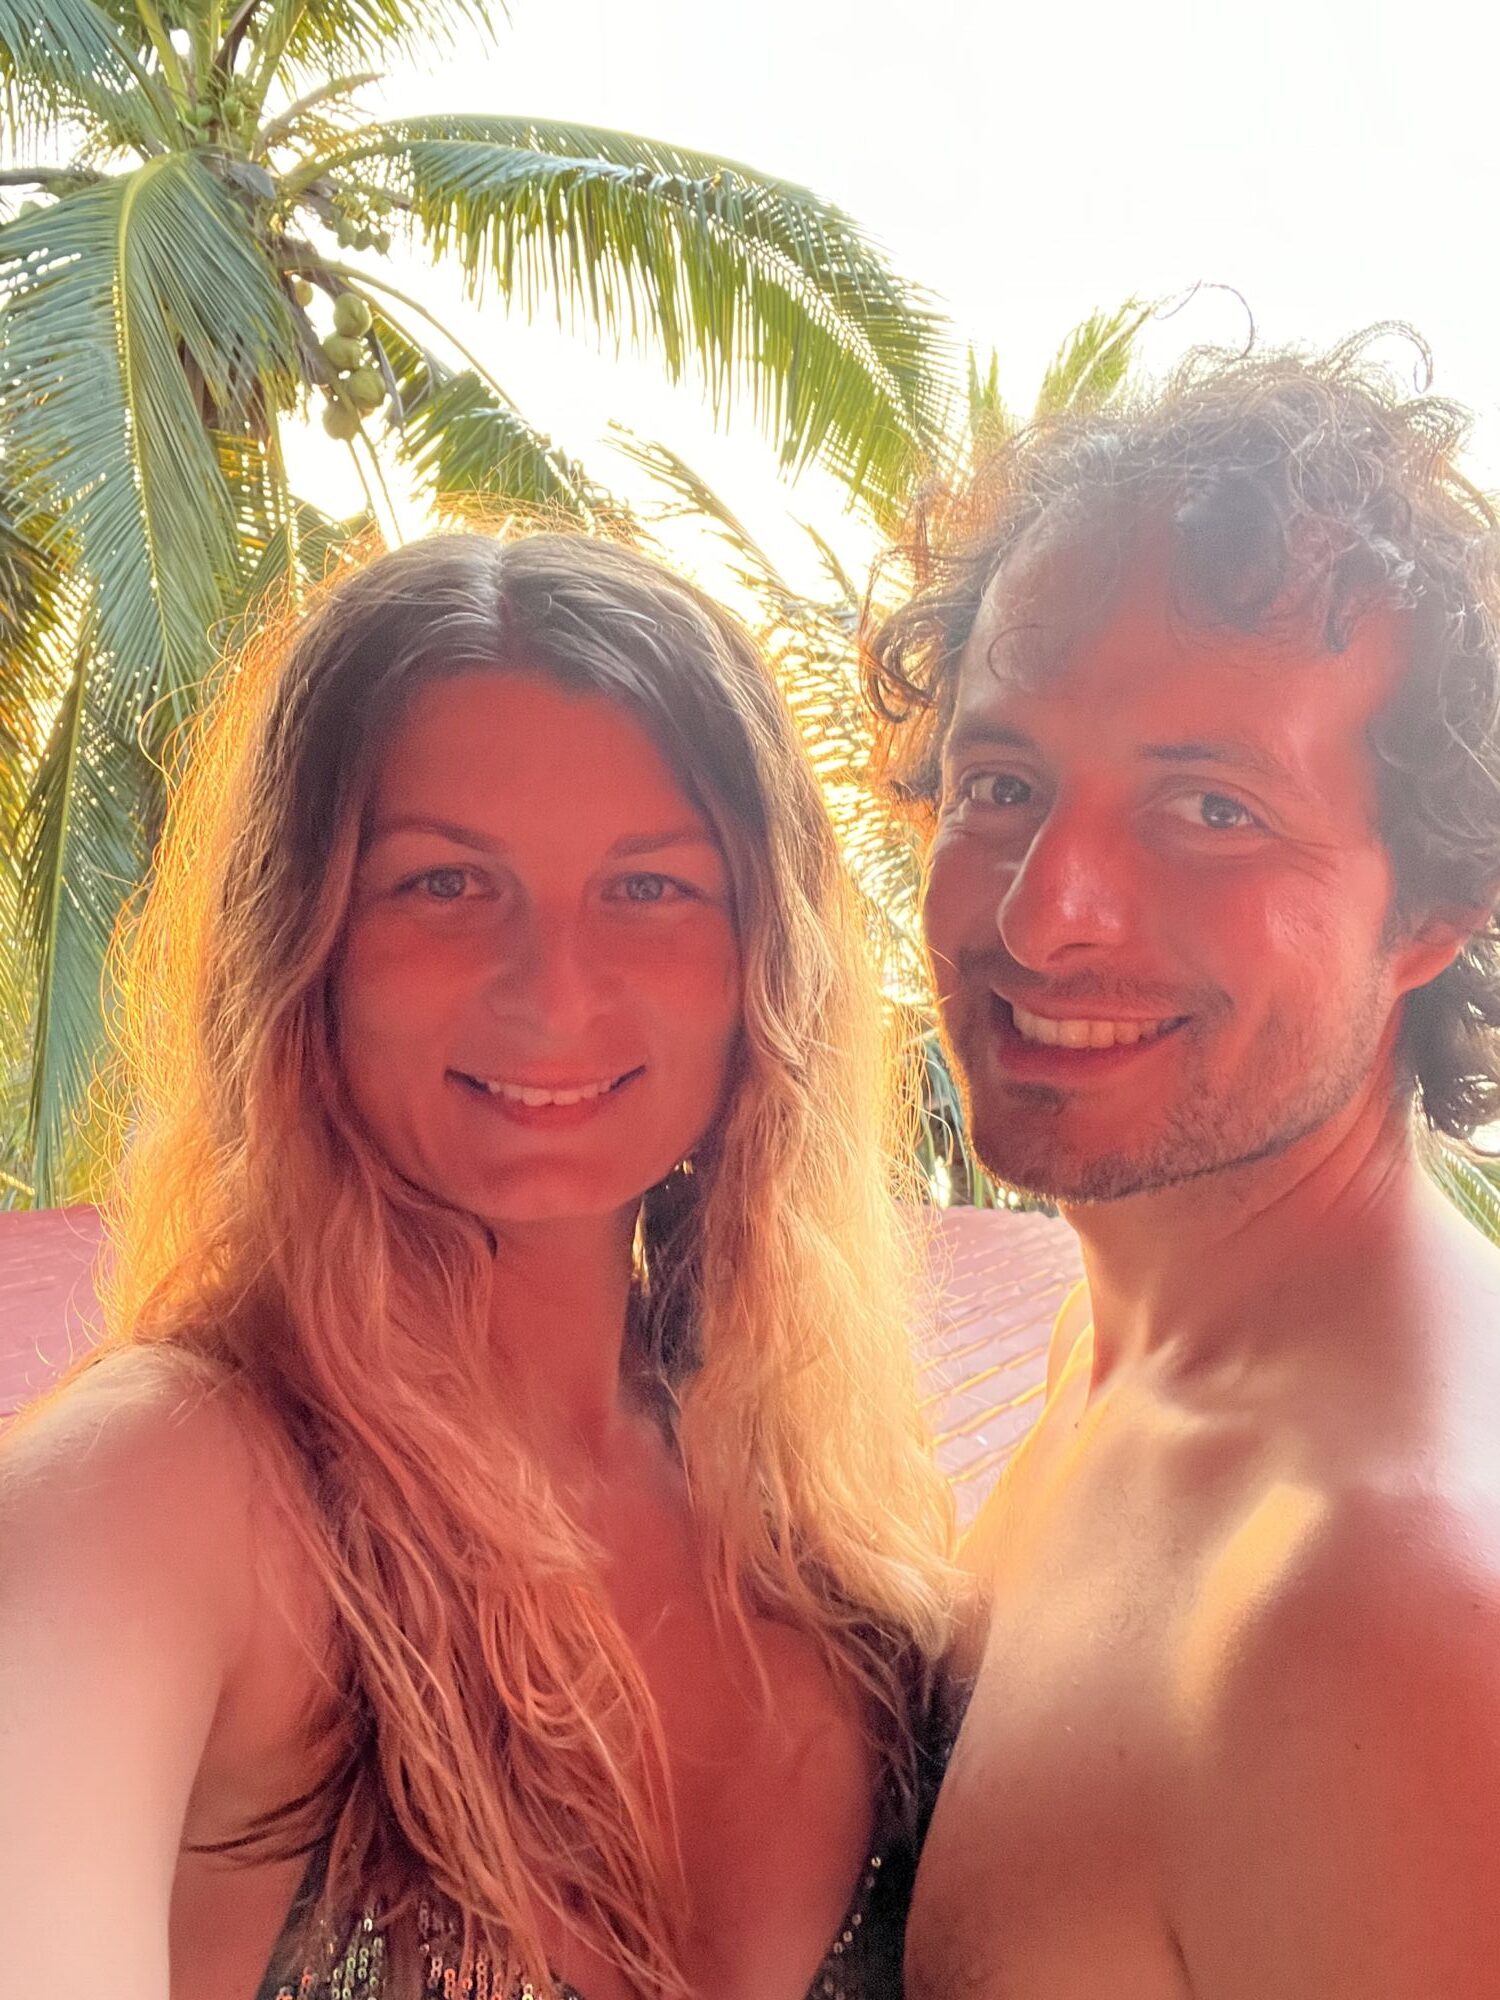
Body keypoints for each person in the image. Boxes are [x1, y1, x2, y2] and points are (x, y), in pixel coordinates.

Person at [0, 532, 957, 2000]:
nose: (552, 991)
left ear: (767, 958)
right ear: (305, 948)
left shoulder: (823, 1531)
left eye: (651, 888)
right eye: (444, 884)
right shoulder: (165, 1494)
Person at [862, 338, 1500, 2000]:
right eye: (1003, 785)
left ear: (1432, 909)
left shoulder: (1391, 1619)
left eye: (1211, 810)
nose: (1043, 913)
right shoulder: (1128, 1336)